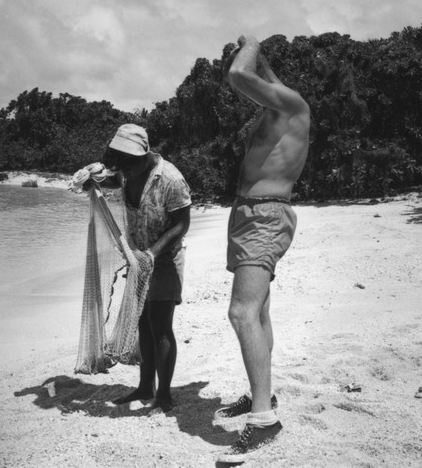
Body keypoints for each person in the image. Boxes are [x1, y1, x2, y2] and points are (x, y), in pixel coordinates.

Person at [215, 35, 310, 463]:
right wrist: (263, 58)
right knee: (260, 312)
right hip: (251, 216)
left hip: (265, 217)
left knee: (242, 312)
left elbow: (240, 74)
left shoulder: (292, 106)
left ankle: (263, 420)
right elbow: (260, 74)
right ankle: (263, 396)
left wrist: (251, 43)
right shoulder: (282, 106)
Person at [99, 124, 192, 413]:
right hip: (138, 260)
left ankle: (164, 395)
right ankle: (144, 386)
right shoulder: (127, 170)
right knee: (143, 324)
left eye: (128, 167)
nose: (125, 173)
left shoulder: (171, 180)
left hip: (163, 260)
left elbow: (182, 224)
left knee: (161, 327)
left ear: (143, 156)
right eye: (122, 169)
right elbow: (113, 179)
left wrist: (152, 254)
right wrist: (92, 179)